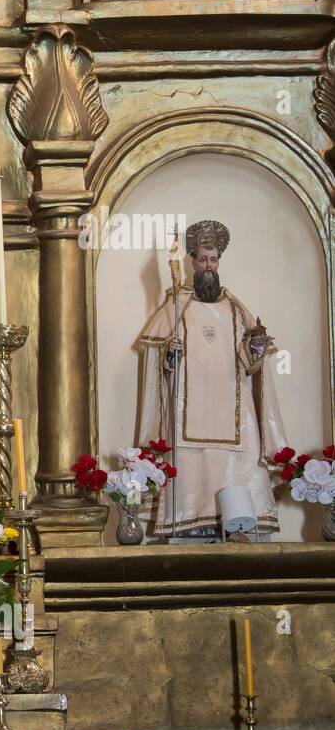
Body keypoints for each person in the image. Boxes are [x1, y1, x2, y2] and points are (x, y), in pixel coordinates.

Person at [134, 220, 286, 539]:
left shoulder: (234, 307)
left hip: (233, 415)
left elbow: (250, 361)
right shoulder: (177, 307)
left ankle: (241, 525)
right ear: (191, 262)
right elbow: (160, 365)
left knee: (238, 474)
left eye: (213, 259)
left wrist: (254, 347)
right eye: (202, 259)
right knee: (191, 473)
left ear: (219, 262)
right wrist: (170, 353)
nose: (208, 266)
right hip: (188, 415)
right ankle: (192, 523)